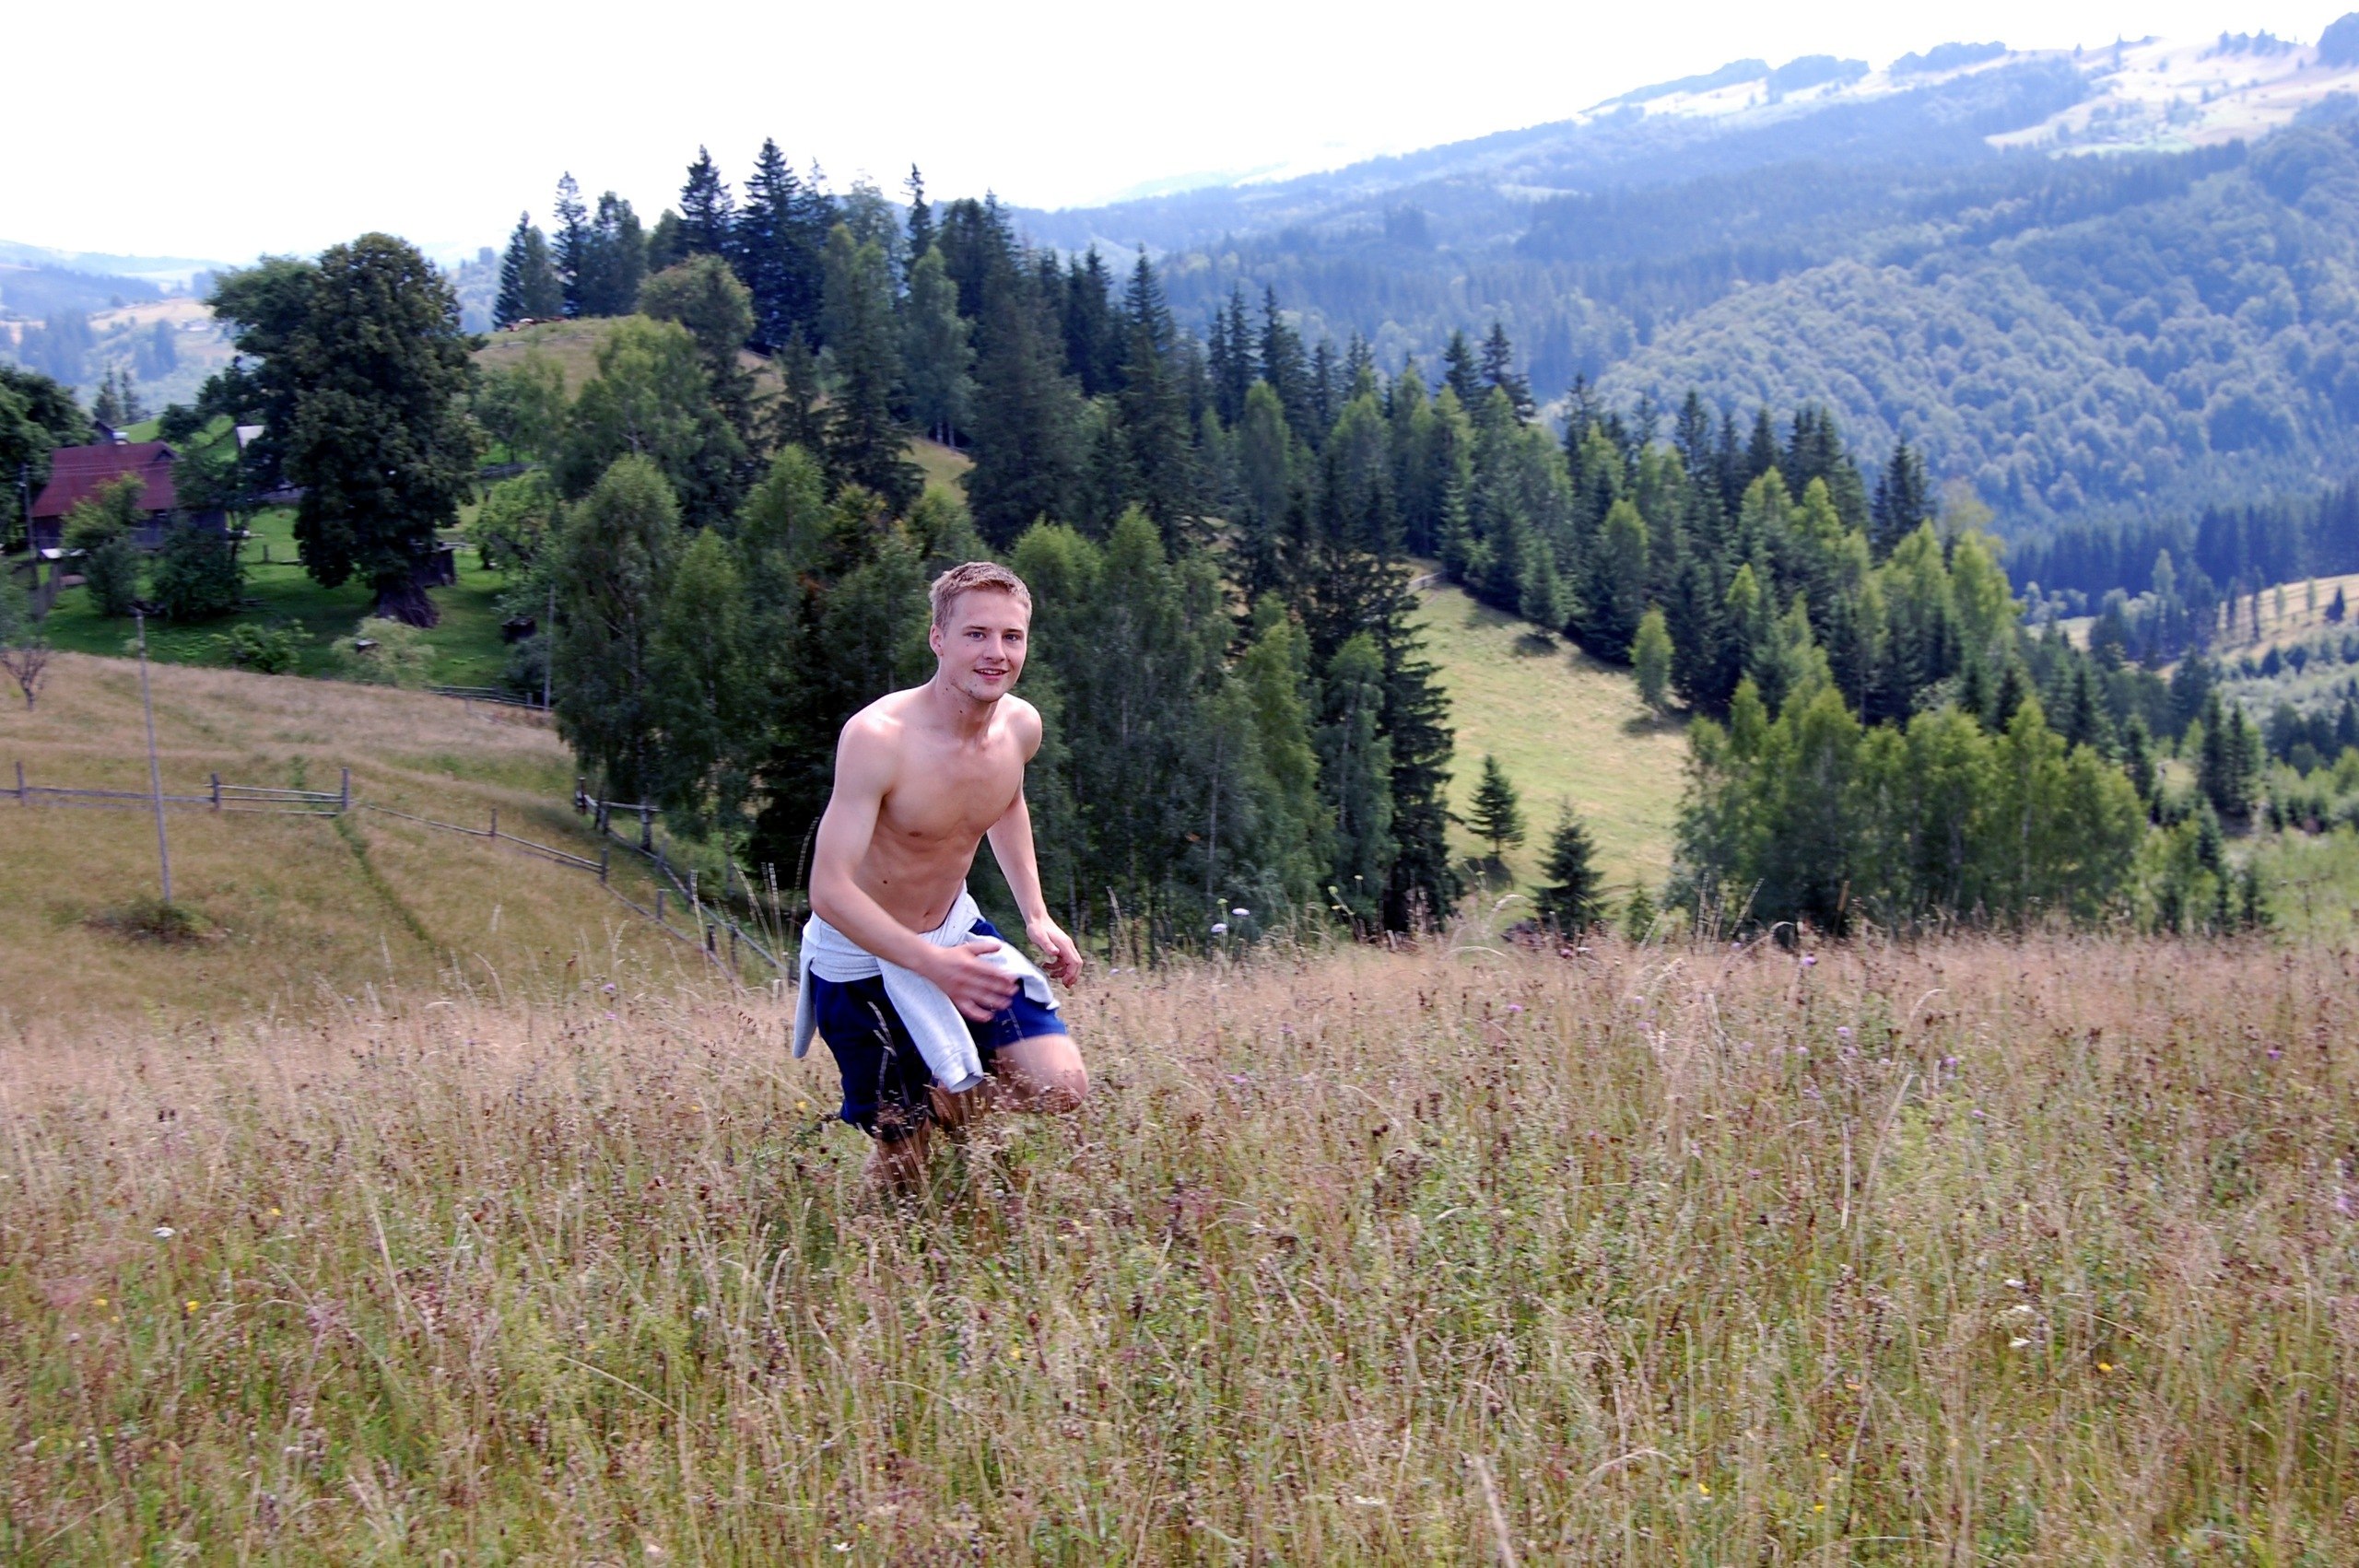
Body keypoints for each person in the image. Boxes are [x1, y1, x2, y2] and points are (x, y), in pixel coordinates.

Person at [791, 560, 1088, 1188]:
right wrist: (931, 965)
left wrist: (1036, 914)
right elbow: (829, 890)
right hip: (861, 963)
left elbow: (1005, 800)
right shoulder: (878, 738)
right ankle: (912, 1141)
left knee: (1061, 1085)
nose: (996, 653)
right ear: (938, 639)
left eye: (1011, 636)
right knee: (904, 1169)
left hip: (955, 936)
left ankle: (948, 1101)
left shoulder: (1020, 727)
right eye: (976, 634)